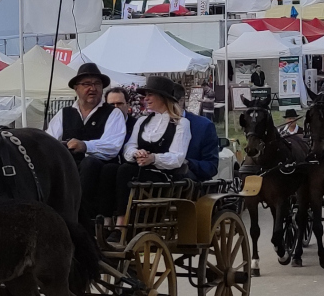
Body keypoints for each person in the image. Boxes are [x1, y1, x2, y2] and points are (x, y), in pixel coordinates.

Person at [46, 63, 126, 224]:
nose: (93, 88)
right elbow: (49, 140)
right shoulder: (64, 113)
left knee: (90, 164)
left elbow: (113, 146)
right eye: (86, 84)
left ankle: (79, 214)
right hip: (70, 164)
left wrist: (85, 146)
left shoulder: (113, 113)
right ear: (76, 88)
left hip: (100, 169)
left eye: (97, 84)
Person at [113, 76, 192, 227]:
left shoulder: (181, 123)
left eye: (150, 95)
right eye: (145, 95)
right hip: (140, 170)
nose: (146, 99)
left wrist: (153, 158)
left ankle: (121, 223)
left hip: (165, 176)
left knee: (125, 170)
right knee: (110, 169)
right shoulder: (142, 121)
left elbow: (177, 157)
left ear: (163, 97)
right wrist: (136, 153)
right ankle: (106, 220)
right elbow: (129, 146)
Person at [176, 83, 220, 182]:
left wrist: (188, 163)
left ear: (181, 101)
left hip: (189, 189)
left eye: (166, 101)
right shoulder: (145, 124)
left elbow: (211, 167)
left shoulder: (202, 126)